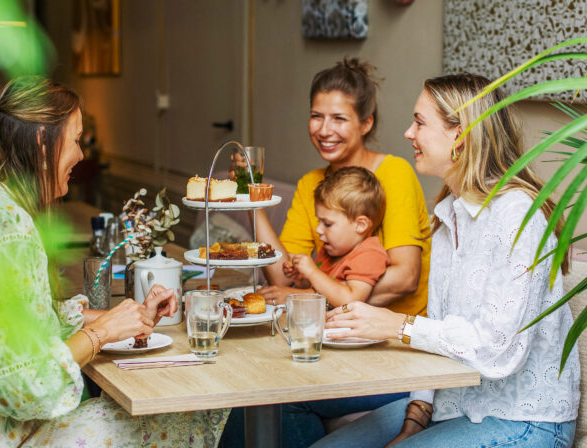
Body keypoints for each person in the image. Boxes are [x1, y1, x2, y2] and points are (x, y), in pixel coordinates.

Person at [0, 77, 227, 447]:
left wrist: (122, 317)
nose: (81, 155)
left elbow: (8, 325)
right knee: (179, 408)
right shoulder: (7, 225)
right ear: (41, 144)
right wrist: (103, 333)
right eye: (76, 140)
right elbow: (22, 387)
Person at [313, 73, 580, 448]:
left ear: (462, 135)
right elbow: (437, 335)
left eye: (420, 122)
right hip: (453, 406)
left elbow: (498, 350)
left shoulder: (518, 216)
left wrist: (398, 325)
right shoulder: (448, 218)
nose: (408, 133)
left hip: (525, 420)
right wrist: (414, 419)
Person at [221, 58, 431, 448]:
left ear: (366, 123)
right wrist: (254, 202)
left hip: (393, 348)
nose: (324, 129)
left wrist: (308, 298)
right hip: (335, 343)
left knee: (280, 398)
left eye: (339, 118)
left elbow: (405, 276)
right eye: (316, 116)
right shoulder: (311, 185)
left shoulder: (394, 174)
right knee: (251, 389)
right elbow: (282, 277)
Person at [283, 166, 389, 307]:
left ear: (361, 225)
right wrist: (301, 277)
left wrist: (312, 271)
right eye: (319, 221)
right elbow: (322, 289)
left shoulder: (369, 254)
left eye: (327, 224)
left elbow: (350, 301)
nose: (318, 229)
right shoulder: (331, 249)